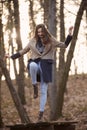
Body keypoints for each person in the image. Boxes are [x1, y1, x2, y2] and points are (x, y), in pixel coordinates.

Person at [5, 24, 73, 122]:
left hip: (46, 67)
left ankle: (40, 114)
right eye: (38, 32)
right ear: (36, 32)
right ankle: (34, 85)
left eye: (42, 32)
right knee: (32, 65)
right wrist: (11, 56)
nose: (40, 34)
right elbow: (23, 51)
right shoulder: (32, 41)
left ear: (45, 31)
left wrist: (70, 33)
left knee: (44, 91)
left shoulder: (51, 40)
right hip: (36, 64)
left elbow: (64, 45)